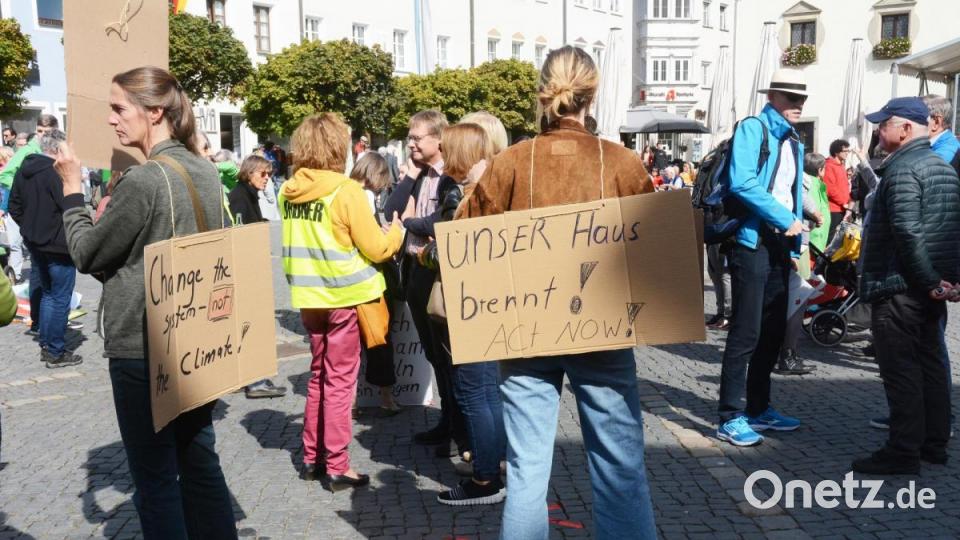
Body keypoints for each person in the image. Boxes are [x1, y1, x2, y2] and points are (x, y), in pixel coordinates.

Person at [457, 45, 657, 539]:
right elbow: (654, 251)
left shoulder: (510, 163)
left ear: (542, 91)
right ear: (593, 92)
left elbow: (464, 241)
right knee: (619, 466)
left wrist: (473, 188)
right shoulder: (622, 162)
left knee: (526, 471)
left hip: (525, 330)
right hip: (603, 331)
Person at [55, 66, 238, 538]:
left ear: (154, 112)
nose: (112, 121)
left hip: (144, 345)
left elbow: (87, 253)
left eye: (119, 108)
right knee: (199, 462)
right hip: (195, 339)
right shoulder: (204, 168)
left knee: (156, 481)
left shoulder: (144, 181)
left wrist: (73, 190)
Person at [279, 113, 403, 490]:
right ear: (338, 146)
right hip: (345, 299)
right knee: (340, 383)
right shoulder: (344, 190)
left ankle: (311, 457)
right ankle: (337, 463)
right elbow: (377, 247)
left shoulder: (289, 191)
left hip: (309, 298)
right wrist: (397, 232)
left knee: (318, 376)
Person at [852, 96, 960, 474]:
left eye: (884, 124)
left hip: (901, 286)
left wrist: (931, 280)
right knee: (930, 364)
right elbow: (950, 232)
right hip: (929, 287)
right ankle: (933, 444)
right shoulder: (941, 166)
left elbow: (907, 232)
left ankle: (903, 451)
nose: (878, 131)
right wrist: (950, 281)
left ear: (906, 128)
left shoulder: (901, 169)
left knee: (901, 369)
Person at [716, 69, 807, 447]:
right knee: (747, 330)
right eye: (790, 97)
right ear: (772, 96)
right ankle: (729, 415)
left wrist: (803, 216)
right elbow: (742, 181)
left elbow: (787, 187)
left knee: (772, 330)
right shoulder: (755, 128)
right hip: (751, 240)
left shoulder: (794, 139)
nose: (798, 104)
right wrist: (786, 218)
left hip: (779, 243)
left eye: (802, 98)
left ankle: (758, 407)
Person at [417, 122, 506, 506]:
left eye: (450, 149)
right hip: (487, 304)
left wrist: (424, 252)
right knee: (487, 392)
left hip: (471, 307)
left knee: (474, 393)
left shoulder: (473, 195)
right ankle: (493, 465)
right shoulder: (495, 187)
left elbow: (455, 253)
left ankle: (486, 479)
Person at [383, 110, 469, 459]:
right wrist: (409, 177)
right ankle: (447, 422)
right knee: (433, 355)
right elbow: (389, 211)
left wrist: (412, 224)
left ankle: (459, 429)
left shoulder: (451, 175)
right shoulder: (418, 175)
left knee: (449, 357)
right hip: (416, 272)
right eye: (410, 137)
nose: (411, 143)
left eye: (417, 137)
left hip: (440, 275)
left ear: (439, 139)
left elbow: (442, 221)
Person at [8, 129, 81, 368]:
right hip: (58, 245)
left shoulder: (25, 169)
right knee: (59, 297)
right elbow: (71, 206)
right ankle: (55, 350)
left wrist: (29, 228)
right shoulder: (56, 173)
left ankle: (48, 344)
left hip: (36, 241)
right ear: (58, 149)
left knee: (50, 295)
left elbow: (14, 206)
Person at [225, 155, 289, 400]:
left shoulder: (248, 194)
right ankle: (254, 381)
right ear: (249, 172)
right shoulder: (240, 196)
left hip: (248, 270)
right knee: (251, 328)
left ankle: (251, 378)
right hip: (245, 272)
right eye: (262, 173)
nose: (267, 178)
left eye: (269, 174)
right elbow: (240, 234)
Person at [348, 152, 401, 413]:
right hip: (369, 282)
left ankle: (352, 401)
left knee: (351, 347)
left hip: (344, 282)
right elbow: (374, 247)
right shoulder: (364, 196)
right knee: (379, 343)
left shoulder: (343, 192)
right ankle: (386, 398)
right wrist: (393, 235)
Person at [775, 152, 827, 375]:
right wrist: (816, 215)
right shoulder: (790, 165)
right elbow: (801, 198)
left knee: (789, 296)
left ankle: (782, 351)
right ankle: (787, 354)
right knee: (798, 296)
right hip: (791, 241)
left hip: (788, 240)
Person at [0, 114, 59, 284]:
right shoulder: (28, 150)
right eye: (39, 131)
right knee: (37, 260)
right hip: (33, 210)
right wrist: (25, 190)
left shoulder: (57, 149)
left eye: (47, 131)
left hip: (51, 209)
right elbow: (4, 175)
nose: (42, 135)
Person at [823, 139, 852, 242]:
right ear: (836, 152)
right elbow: (830, 188)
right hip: (833, 209)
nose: (847, 153)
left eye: (848, 151)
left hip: (843, 207)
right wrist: (843, 202)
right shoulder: (829, 166)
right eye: (845, 151)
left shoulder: (841, 166)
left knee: (840, 238)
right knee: (831, 237)